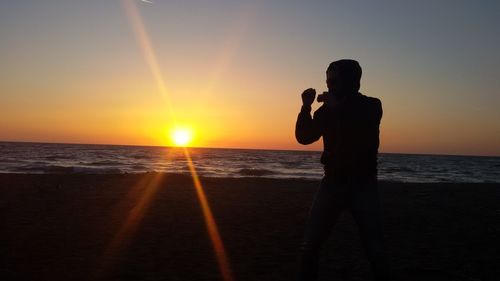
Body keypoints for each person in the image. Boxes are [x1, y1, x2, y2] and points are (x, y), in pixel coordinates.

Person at [295, 59, 388, 281]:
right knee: (309, 245)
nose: (329, 85)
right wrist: (306, 107)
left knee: (374, 249)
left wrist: (338, 109)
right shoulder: (325, 111)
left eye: (334, 80)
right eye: (327, 80)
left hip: (363, 184)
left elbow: (360, 132)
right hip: (332, 182)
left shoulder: (371, 106)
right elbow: (304, 137)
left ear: (350, 80)